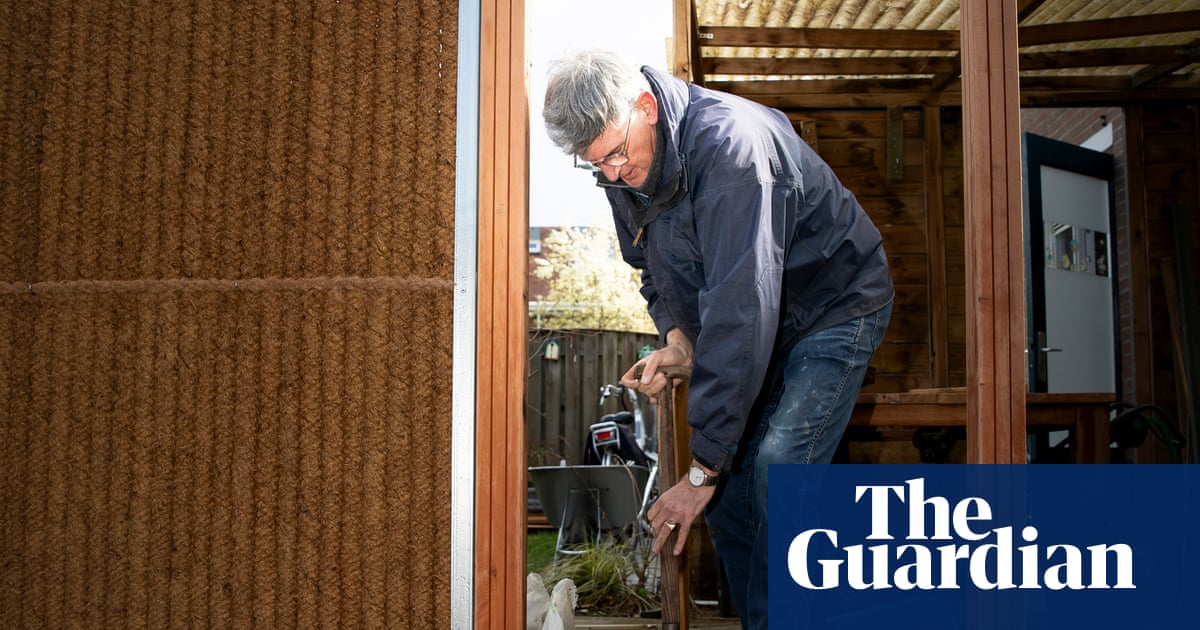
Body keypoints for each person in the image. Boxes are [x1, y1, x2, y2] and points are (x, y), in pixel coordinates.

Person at [542, 49, 894, 628]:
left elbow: (741, 306)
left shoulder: (733, 150)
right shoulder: (622, 162)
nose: (610, 174)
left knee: (779, 471)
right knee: (729, 495)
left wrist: (702, 468)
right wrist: (679, 340)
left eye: (614, 155)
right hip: (760, 319)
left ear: (646, 108)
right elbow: (649, 267)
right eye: (594, 165)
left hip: (833, 304)